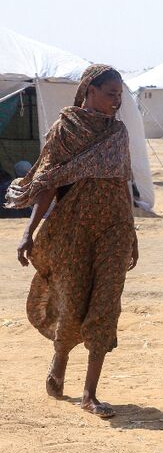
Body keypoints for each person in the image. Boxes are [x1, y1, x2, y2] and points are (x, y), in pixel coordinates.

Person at [7, 65, 138, 418]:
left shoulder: (119, 133)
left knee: (106, 302)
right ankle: (60, 359)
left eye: (119, 95)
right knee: (73, 298)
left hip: (114, 227)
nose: (116, 101)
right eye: (110, 93)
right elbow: (48, 183)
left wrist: (132, 231)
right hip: (74, 229)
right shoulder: (65, 130)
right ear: (90, 90)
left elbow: (123, 182)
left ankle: (90, 394)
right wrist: (27, 231)